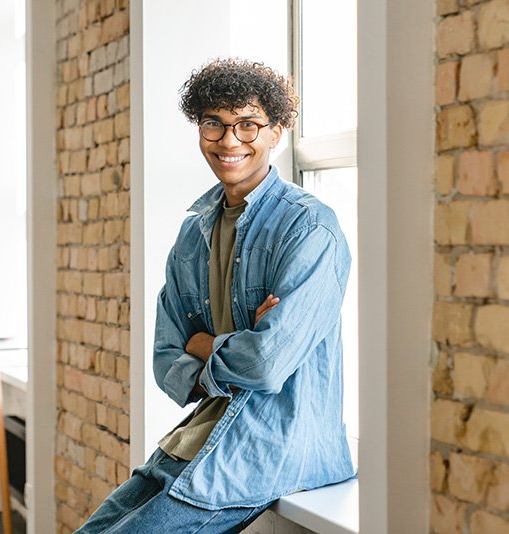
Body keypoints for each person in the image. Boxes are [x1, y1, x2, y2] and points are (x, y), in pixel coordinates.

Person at [76, 57, 355, 533]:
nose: (229, 141)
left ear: (277, 132)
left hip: (266, 451)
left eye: (248, 125)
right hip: (192, 442)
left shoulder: (310, 227)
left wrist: (204, 343)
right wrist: (241, 342)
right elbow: (166, 358)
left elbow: (266, 364)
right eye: (214, 124)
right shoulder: (193, 233)